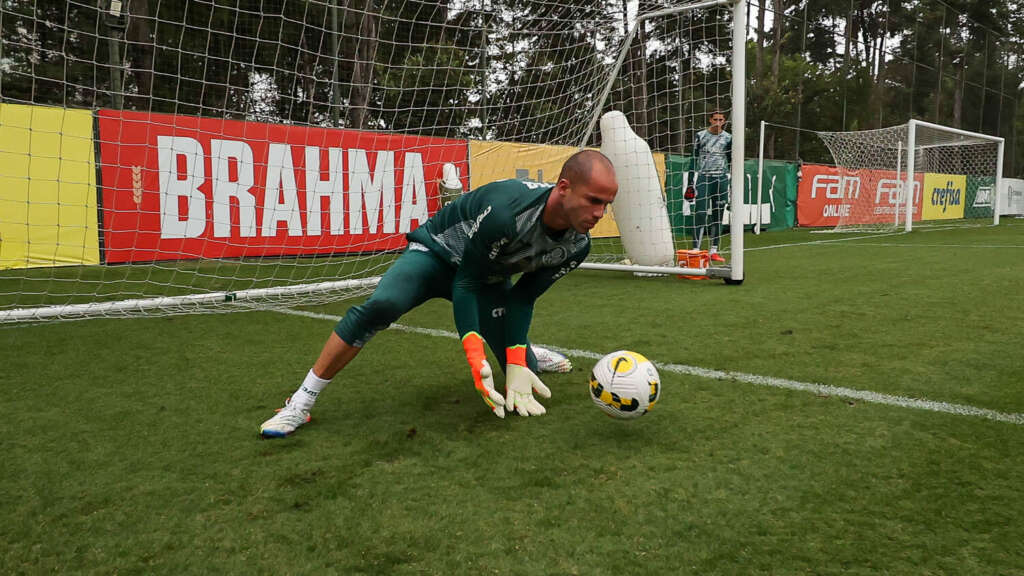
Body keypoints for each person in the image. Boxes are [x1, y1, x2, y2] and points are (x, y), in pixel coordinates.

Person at [260, 150, 619, 437]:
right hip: (436, 255)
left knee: (524, 364)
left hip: (486, 275)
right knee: (384, 304)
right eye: (593, 200)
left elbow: (522, 298)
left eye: (607, 204)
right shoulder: (507, 213)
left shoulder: (577, 246)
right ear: (563, 187)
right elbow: (465, 282)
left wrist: (515, 355)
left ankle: (530, 352)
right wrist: (473, 350)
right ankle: (300, 402)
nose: (600, 213)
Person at [684, 111, 732, 263]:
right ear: (710, 120)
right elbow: (694, 158)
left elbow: (731, 160)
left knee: (718, 215)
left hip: (721, 178)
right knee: (700, 213)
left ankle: (714, 250)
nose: (718, 122)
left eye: (721, 120)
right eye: (715, 119)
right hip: (704, 177)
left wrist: (732, 181)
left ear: (724, 121)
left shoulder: (728, 138)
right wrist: (691, 182)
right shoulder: (700, 136)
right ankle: (696, 249)